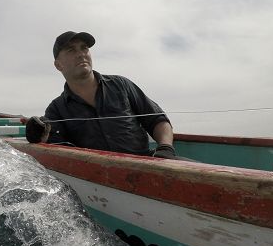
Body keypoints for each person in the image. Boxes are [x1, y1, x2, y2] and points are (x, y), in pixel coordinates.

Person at [26, 31, 177, 159]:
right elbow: (57, 150)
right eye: (71, 50)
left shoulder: (121, 85)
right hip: (98, 183)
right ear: (58, 65)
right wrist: (40, 138)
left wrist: (165, 148)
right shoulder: (56, 109)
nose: (81, 54)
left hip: (147, 165)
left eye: (84, 48)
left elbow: (157, 119)